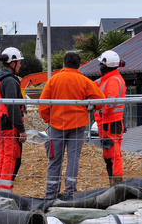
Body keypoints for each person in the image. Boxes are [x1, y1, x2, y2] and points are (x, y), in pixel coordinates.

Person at [39, 52, 105, 200]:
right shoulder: (84, 81)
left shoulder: (53, 80)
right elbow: (100, 101)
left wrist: (48, 119)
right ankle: (70, 192)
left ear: (64, 64)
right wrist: (89, 107)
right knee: (73, 159)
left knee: (55, 159)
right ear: (79, 65)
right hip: (78, 125)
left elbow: (42, 105)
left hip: (56, 125)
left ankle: (51, 193)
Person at [0, 48, 27, 191]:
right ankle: (5, 194)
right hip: (10, 124)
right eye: (19, 62)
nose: (20, 65)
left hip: (1, 122)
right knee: (11, 158)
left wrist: (2, 114)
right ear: (13, 63)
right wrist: (21, 129)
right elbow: (13, 107)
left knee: (4, 156)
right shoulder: (10, 81)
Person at [95, 51, 127, 186]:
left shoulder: (113, 80)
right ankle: (113, 184)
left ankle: (117, 185)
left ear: (106, 66)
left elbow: (110, 101)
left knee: (114, 155)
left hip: (111, 122)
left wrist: (94, 107)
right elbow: (93, 85)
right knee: (109, 155)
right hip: (107, 122)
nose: (99, 67)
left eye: (101, 64)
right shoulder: (107, 78)